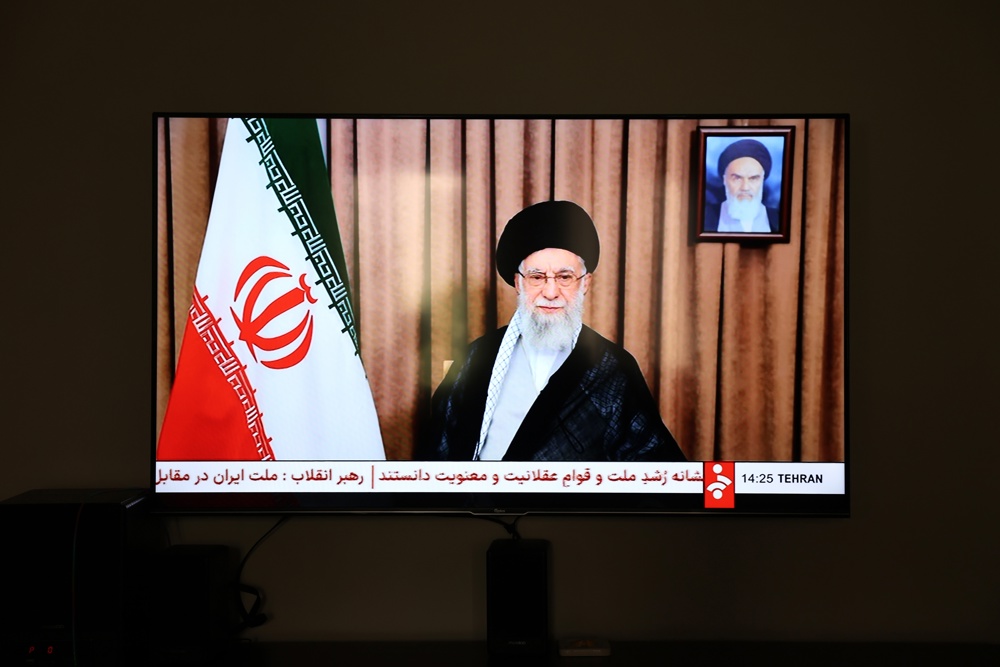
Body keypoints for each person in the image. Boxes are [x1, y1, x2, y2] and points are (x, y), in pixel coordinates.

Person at [418, 200, 685, 462]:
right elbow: (440, 449)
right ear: (518, 283)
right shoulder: (478, 356)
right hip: (483, 492)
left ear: (585, 283)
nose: (550, 292)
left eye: (564, 277)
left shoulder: (612, 367)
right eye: (536, 277)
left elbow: (651, 462)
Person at [704, 138, 780, 233]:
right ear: (724, 180)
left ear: (762, 180)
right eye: (737, 178)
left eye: (753, 178)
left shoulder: (778, 219)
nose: (745, 187)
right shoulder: (705, 217)